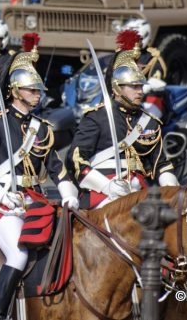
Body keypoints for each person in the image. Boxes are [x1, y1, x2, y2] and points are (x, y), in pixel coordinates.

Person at [0, 47, 79, 320]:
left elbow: (56, 167)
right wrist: (0, 195)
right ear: (16, 91)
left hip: (35, 200)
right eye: (32, 90)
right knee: (18, 255)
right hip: (3, 204)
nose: (38, 94)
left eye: (38, 90)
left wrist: (67, 192)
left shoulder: (41, 129)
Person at [67, 46, 176, 211]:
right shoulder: (97, 117)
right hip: (103, 192)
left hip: (139, 191)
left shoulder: (149, 121)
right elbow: (75, 159)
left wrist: (172, 189)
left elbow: (161, 164)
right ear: (117, 88)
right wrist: (106, 186)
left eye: (141, 86)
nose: (140, 91)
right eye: (134, 87)